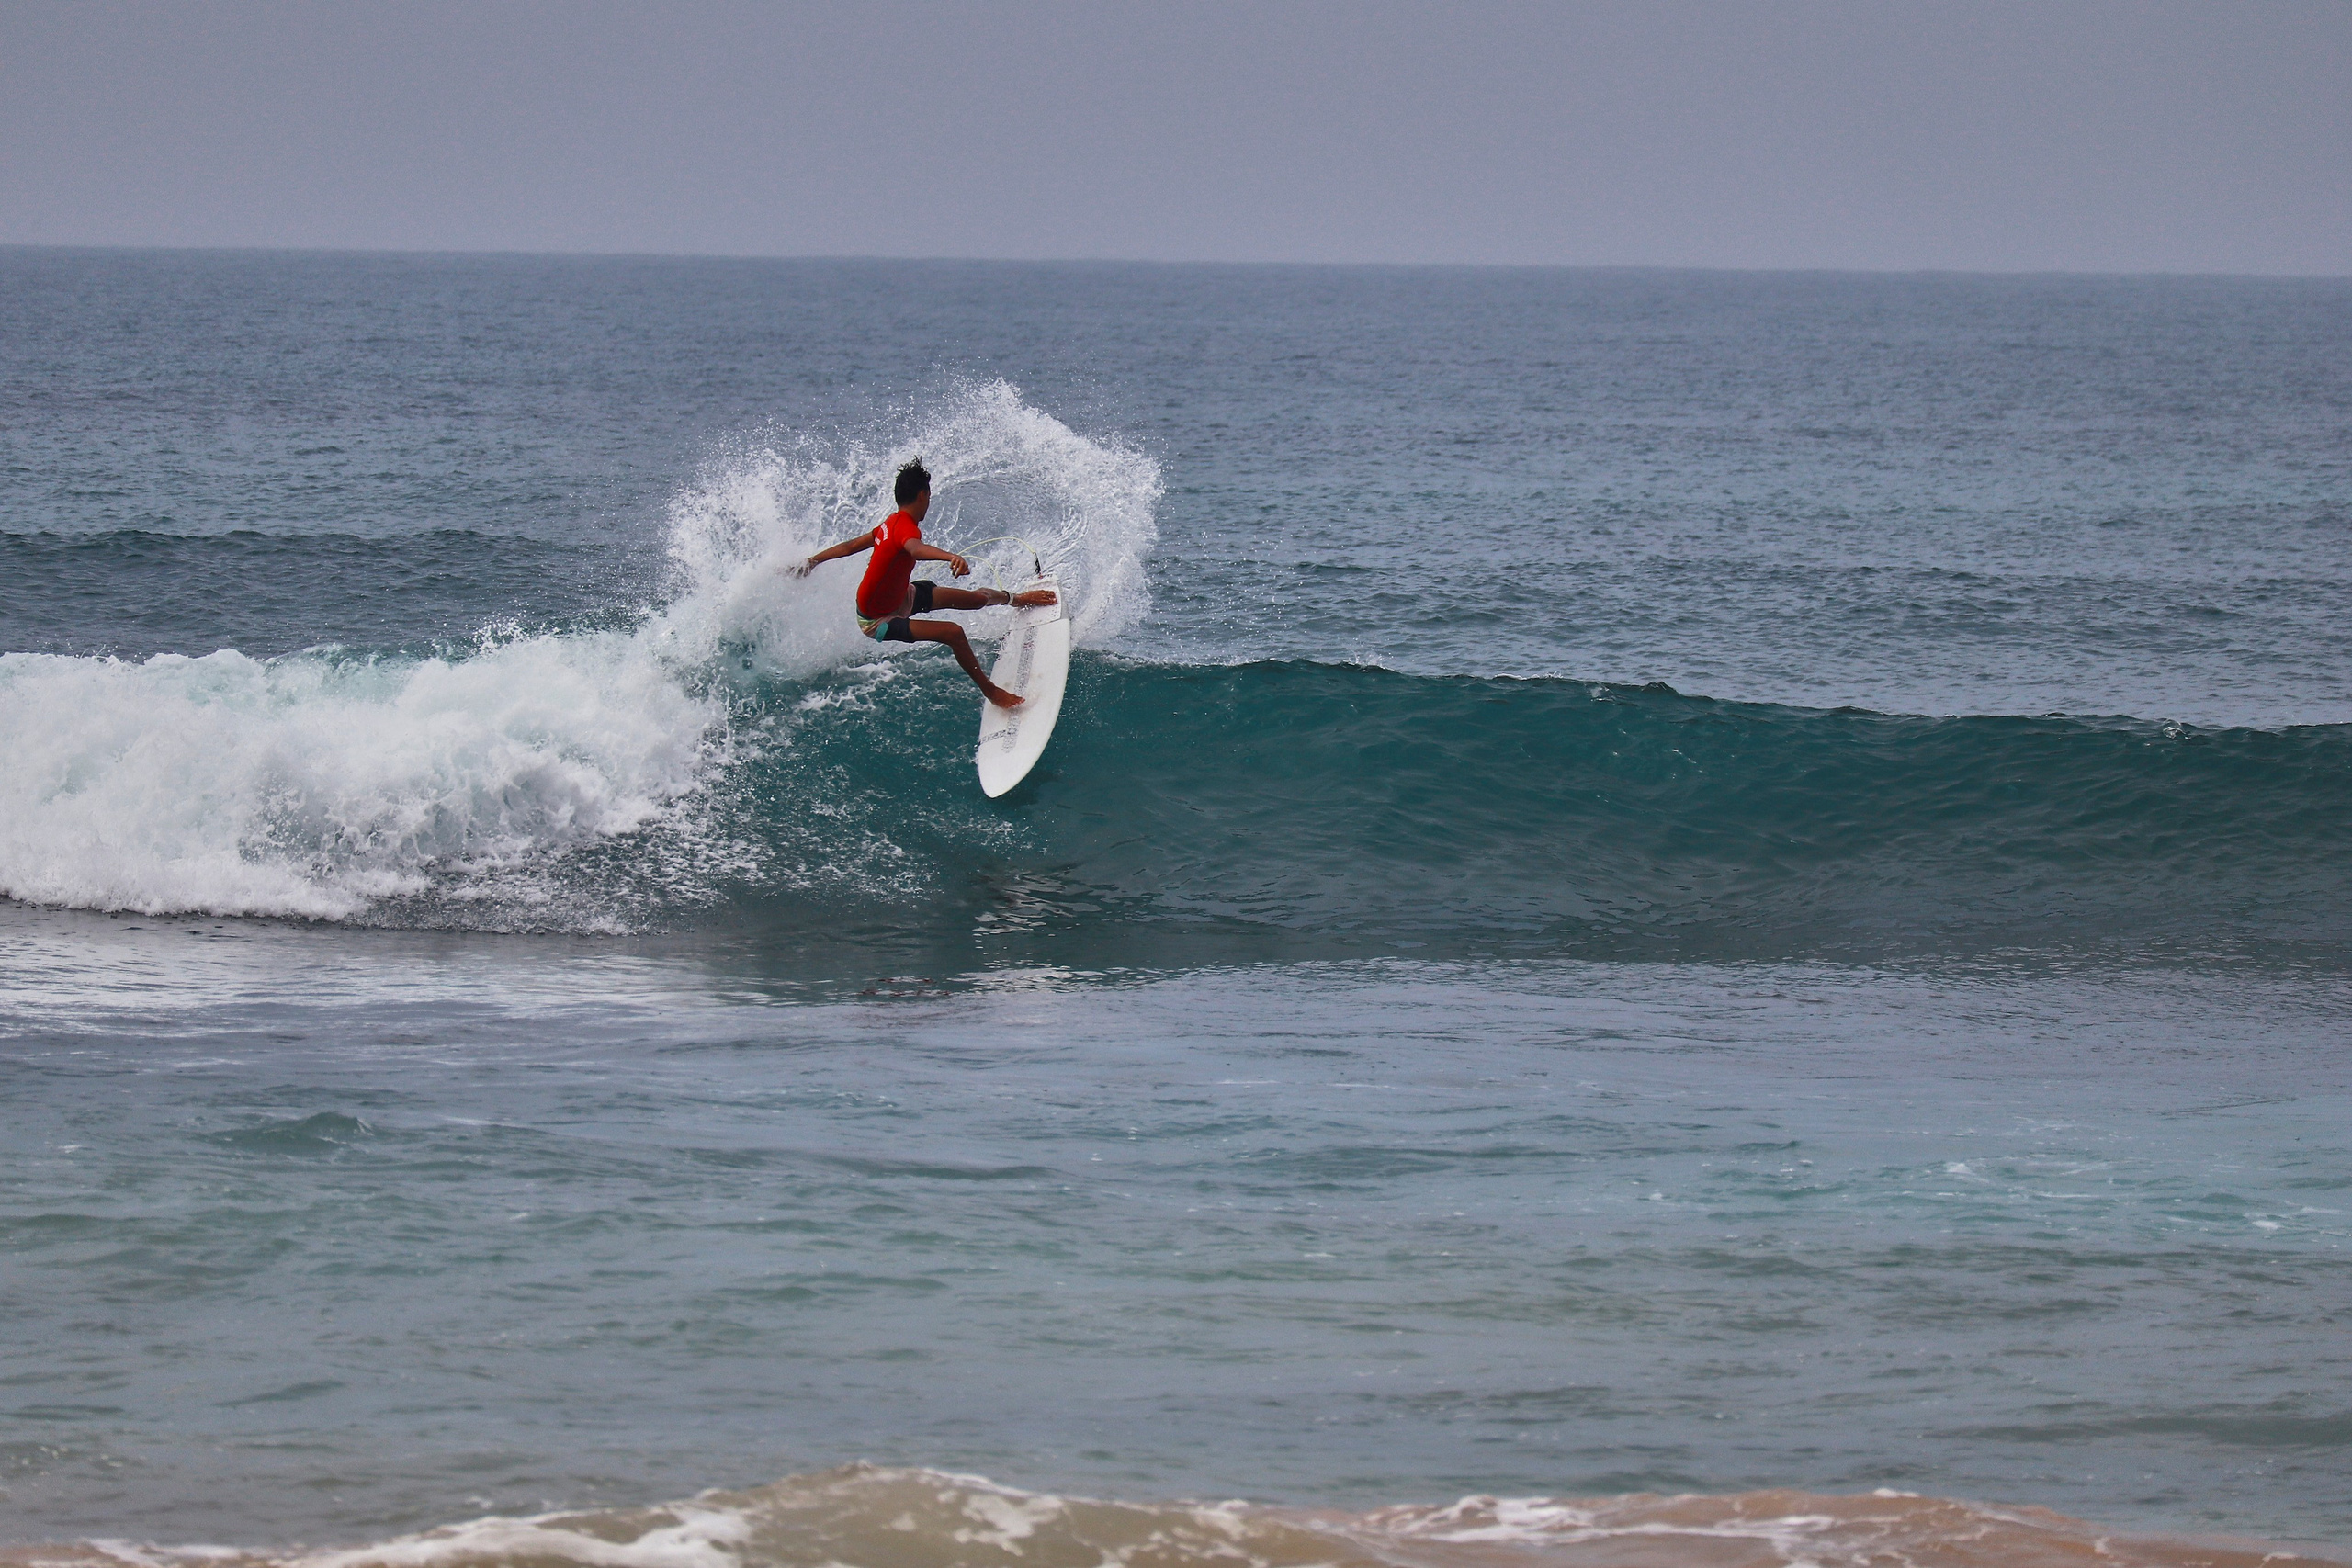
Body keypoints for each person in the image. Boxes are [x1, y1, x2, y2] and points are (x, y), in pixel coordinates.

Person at [792, 460, 1057, 709]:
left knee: (976, 600)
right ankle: (991, 691)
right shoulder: (904, 527)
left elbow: (850, 546)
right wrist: (951, 557)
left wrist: (812, 562)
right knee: (953, 633)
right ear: (922, 495)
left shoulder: (890, 524)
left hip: (901, 596)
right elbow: (914, 549)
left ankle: (1018, 599)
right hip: (877, 619)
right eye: (928, 497)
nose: (928, 503)